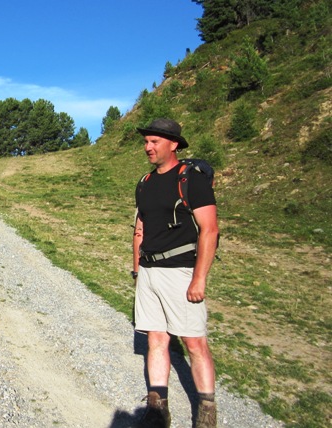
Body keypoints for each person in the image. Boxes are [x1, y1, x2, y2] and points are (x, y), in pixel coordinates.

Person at [132, 118, 219, 428]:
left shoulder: (191, 179)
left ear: (173, 144)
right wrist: (136, 270)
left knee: (194, 342)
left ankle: (207, 413)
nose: (148, 147)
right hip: (150, 272)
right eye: (146, 142)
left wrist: (200, 277)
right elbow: (140, 228)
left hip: (181, 271)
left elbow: (209, 229)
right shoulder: (144, 182)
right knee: (156, 339)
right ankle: (158, 410)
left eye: (154, 142)